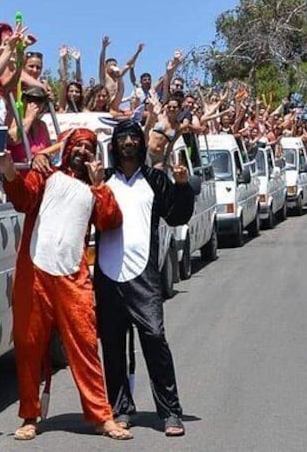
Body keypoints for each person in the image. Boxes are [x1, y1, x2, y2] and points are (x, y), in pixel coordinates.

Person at [0, 127, 132, 442]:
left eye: (89, 148)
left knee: (84, 346)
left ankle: (101, 416)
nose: (83, 152)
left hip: (72, 277)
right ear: (67, 148)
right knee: (28, 346)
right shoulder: (46, 175)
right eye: (78, 146)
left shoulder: (96, 188)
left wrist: (99, 185)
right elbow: (22, 198)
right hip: (35, 272)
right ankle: (30, 415)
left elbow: (111, 220)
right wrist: (10, 172)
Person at [95, 119, 195, 437]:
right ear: (114, 145)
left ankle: (170, 412)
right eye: (122, 138)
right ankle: (121, 409)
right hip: (108, 276)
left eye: (133, 138)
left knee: (154, 338)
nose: (128, 143)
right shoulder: (103, 180)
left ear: (141, 144)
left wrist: (182, 187)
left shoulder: (155, 179)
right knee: (112, 344)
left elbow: (177, 216)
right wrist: (93, 182)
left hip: (144, 276)